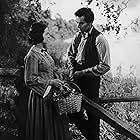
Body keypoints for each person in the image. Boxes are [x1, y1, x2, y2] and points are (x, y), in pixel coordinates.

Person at [67, 7, 111, 140]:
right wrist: (71, 68)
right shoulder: (78, 35)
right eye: (77, 23)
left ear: (90, 23)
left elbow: (105, 66)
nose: (78, 26)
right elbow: (70, 54)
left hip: (91, 84)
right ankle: (93, 138)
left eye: (81, 23)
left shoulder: (100, 39)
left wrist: (82, 73)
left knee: (93, 117)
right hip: (76, 83)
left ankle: (93, 137)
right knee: (72, 113)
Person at [24, 22, 71, 140]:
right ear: (39, 35)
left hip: (50, 95)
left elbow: (49, 69)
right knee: (44, 130)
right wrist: (51, 82)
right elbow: (29, 80)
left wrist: (58, 75)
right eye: (46, 32)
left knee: (55, 127)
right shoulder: (32, 55)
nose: (48, 34)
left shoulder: (43, 51)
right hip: (40, 99)